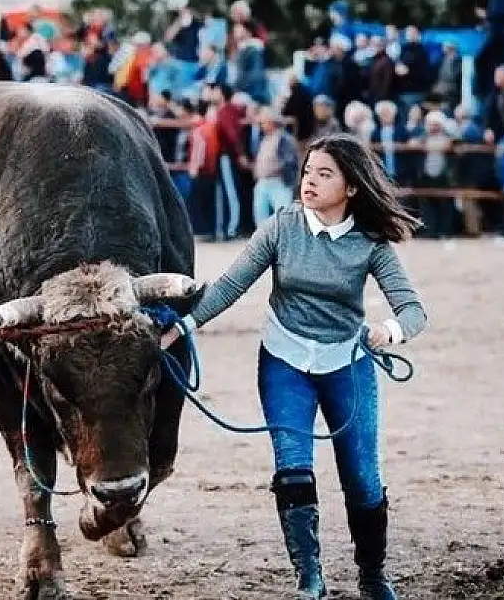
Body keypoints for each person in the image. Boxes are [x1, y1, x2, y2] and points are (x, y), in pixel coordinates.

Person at [160, 133, 428, 599]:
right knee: (293, 470)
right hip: (284, 362)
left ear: (351, 188)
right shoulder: (281, 226)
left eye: (325, 174)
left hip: (347, 364)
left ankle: (373, 575)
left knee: (362, 479)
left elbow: (414, 312)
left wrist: (389, 331)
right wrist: (181, 327)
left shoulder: (371, 243)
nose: (310, 181)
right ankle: (310, 577)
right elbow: (229, 286)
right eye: (307, 172)